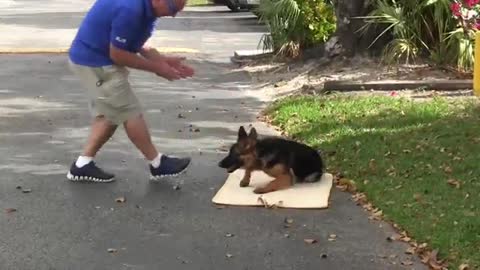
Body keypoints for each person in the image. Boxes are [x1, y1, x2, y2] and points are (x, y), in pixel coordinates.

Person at [66, 0, 194, 183]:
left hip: (96, 60)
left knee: (110, 113)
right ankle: (157, 164)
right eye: (173, 9)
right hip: (95, 63)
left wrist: (163, 61)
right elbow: (118, 54)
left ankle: (82, 165)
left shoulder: (145, 8)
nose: (173, 15)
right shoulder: (129, 8)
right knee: (129, 112)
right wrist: (157, 69)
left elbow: (137, 44)